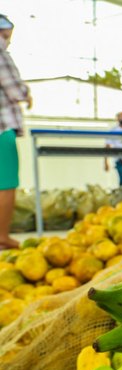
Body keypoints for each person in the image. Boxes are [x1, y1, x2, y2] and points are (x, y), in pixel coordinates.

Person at [0, 14, 30, 250]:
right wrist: (26, 93)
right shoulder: (1, 54)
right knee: (6, 183)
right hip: (2, 129)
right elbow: (15, 90)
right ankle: (2, 235)